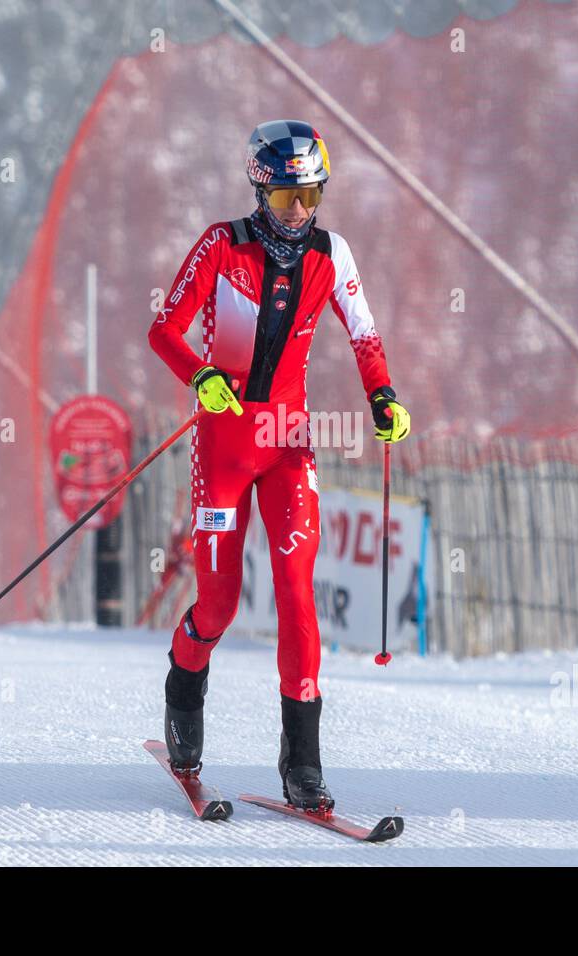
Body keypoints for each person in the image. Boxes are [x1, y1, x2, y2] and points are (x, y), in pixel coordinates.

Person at [147, 120, 411, 808]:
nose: (302, 209)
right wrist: (200, 374)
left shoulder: (332, 253)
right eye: (289, 195)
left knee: (297, 593)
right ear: (260, 189)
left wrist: (382, 395)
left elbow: (365, 334)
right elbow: (165, 329)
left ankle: (303, 766)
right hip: (226, 444)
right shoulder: (221, 244)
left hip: (289, 441)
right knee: (218, 604)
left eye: (313, 192)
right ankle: (182, 703)